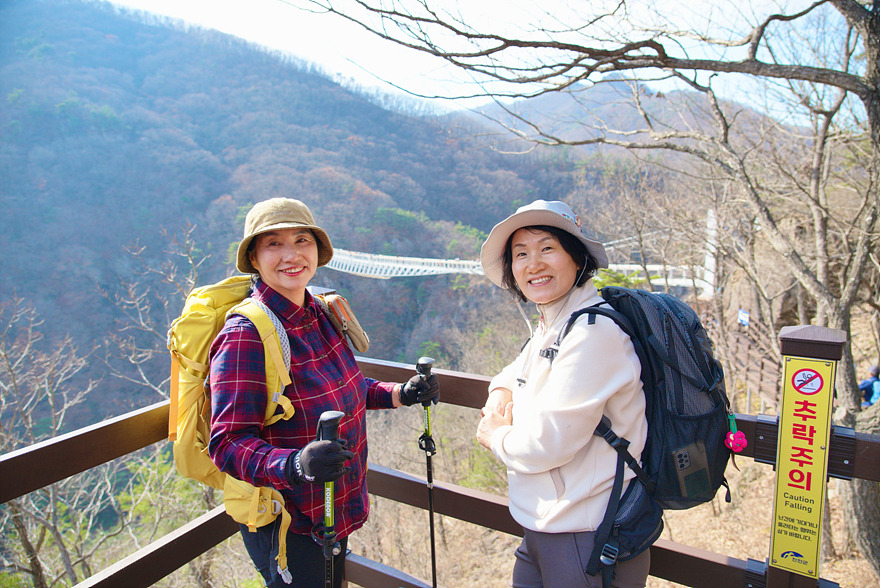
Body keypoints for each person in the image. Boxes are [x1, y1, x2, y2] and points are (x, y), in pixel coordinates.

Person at [208, 197, 439, 588]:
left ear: (317, 249)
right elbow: (227, 444)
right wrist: (295, 465)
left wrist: (400, 393)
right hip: (288, 521)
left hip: (332, 507)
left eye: (302, 240)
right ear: (254, 259)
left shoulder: (320, 311)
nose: (291, 254)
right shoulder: (245, 335)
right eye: (274, 244)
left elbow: (345, 388)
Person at [476, 200, 651, 588]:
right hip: (547, 525)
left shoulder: (593, 333)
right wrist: (501, 389)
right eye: (521, 254)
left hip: (587, 534)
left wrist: (495, 435)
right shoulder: (557, 323)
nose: (533, 264)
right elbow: (521, 367)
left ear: (577, 257)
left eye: (547, 248)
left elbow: (548, 444)